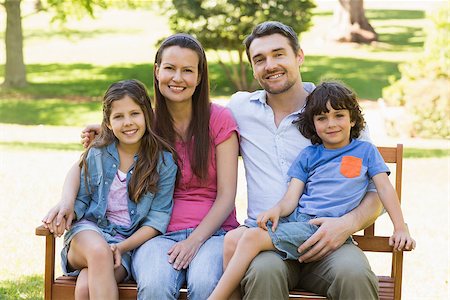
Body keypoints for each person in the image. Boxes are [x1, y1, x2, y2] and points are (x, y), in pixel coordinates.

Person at [42, 34, 239, 300]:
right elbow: (95, 158)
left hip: (214, 232)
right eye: (170, 68)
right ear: (157, 71)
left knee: (205, 284)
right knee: (155, 286)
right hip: (156, 236)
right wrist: (67, 200)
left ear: (200, 76)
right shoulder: (147, 122)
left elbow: (227, 196)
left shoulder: (219, 120)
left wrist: (194, 241)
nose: (177, 78)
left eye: (188, 70)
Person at [209, 81, 416, 299]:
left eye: (339, 115)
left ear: (353, 119)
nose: (331, 124)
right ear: (313, 124)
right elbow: (291, 199)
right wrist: (276, 210)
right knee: (238, 240)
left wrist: (400, 227)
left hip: (327, 229)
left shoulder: (365, 151)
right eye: (322, 118)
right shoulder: (309, 155)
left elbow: (384, 188)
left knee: (250, 238)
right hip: (301, 223)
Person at [225, 21, 384, 299]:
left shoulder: (333, 112)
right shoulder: (241, 109)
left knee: (354, 274)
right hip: (268, 240)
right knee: (263, 273)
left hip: (329, 239)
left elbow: (377, 193)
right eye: (259, 59)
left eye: (279, 54)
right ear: (252, 67)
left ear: (299, 56)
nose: (270, 65)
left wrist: (344, 225)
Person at [54, 79, 177, 299]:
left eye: (134, 114)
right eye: (119, 117)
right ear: (108, 123)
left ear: (147, 115)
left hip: (125, 245)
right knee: (100, 253)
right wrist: (67, 206)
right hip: (88, 233)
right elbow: (82, 196)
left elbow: (157, 220)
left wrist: (122, 247)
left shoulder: (164, 163)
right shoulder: (99, 152)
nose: (128, 122)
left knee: (84, 287)